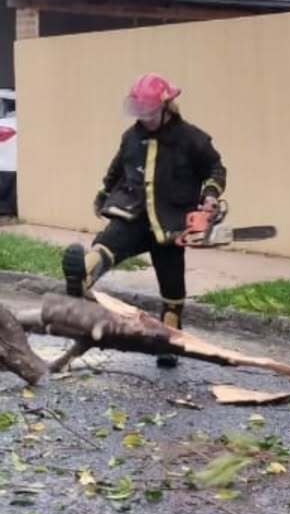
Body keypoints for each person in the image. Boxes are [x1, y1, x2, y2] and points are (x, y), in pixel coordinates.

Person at [62, 74, 226, 368]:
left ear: (166, 107)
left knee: (172, 283)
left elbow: (216, 168)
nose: (144, 118)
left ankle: (168, 340)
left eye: (149, 112)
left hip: (170, 224)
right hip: (134, 215)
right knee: (109, 243)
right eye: (140, 111)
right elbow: (117, 169)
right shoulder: (131, 137)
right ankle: (80, 277)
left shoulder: (191, 139)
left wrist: (211, 196)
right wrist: (103, 194)